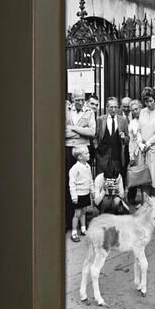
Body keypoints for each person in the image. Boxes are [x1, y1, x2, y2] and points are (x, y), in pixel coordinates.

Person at [65, 88, 96, 230]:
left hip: (83, 151)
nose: (80, 102)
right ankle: (69, 219)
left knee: (83, 183)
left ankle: (82, 220)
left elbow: (92, 132)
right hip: (68, 150)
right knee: (70, 183)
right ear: (72, 98)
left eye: (82, 99)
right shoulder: (67, 110)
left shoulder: (89, 112)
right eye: (77, 99)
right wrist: (80, 132)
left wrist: (74, 128)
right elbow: (63, 131)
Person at [137, 86, 155, 197]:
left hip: (154, 151)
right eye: (146, 101)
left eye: (150, 101)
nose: (148, 104)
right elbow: (138, 130)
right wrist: (140, 144)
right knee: (144, 181)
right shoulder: (142, 112)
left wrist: (147, 144)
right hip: (143, 151)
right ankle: (146, 207)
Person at [95, 97, 129, 179]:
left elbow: (128, 138)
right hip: (102, 157)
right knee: (102, 181)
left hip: (117, 157)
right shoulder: (100, 120)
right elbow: (95, 136)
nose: (114, 110)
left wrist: (124, 138)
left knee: (116, 182)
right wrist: (96, 147)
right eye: (111, 107)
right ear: (107, 108)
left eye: (115, 107)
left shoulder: (123, 120)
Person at [68, 145, 94, 242]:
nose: (89, 154)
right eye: (86, 153)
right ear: (80, 157)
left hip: (86, 194)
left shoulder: (88, 166)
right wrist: (74, 197)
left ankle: (83, 229)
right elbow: (72, 184)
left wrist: (93, 191)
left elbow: (90, 180)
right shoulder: (75, 169)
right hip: (78, 195)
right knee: (77, 214)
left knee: (84, 212)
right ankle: (74, 233)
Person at [127, 99, 143, 204]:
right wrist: (131, 156)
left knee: (146, 176)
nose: (135, 111)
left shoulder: (146, 119)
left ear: (141, 108)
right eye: (132, 110)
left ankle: (145, 199)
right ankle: (132, 197)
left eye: (136, 109)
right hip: (137, 153)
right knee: (137, 175)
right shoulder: (132, 123)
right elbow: (131, 142)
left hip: (147, 151)